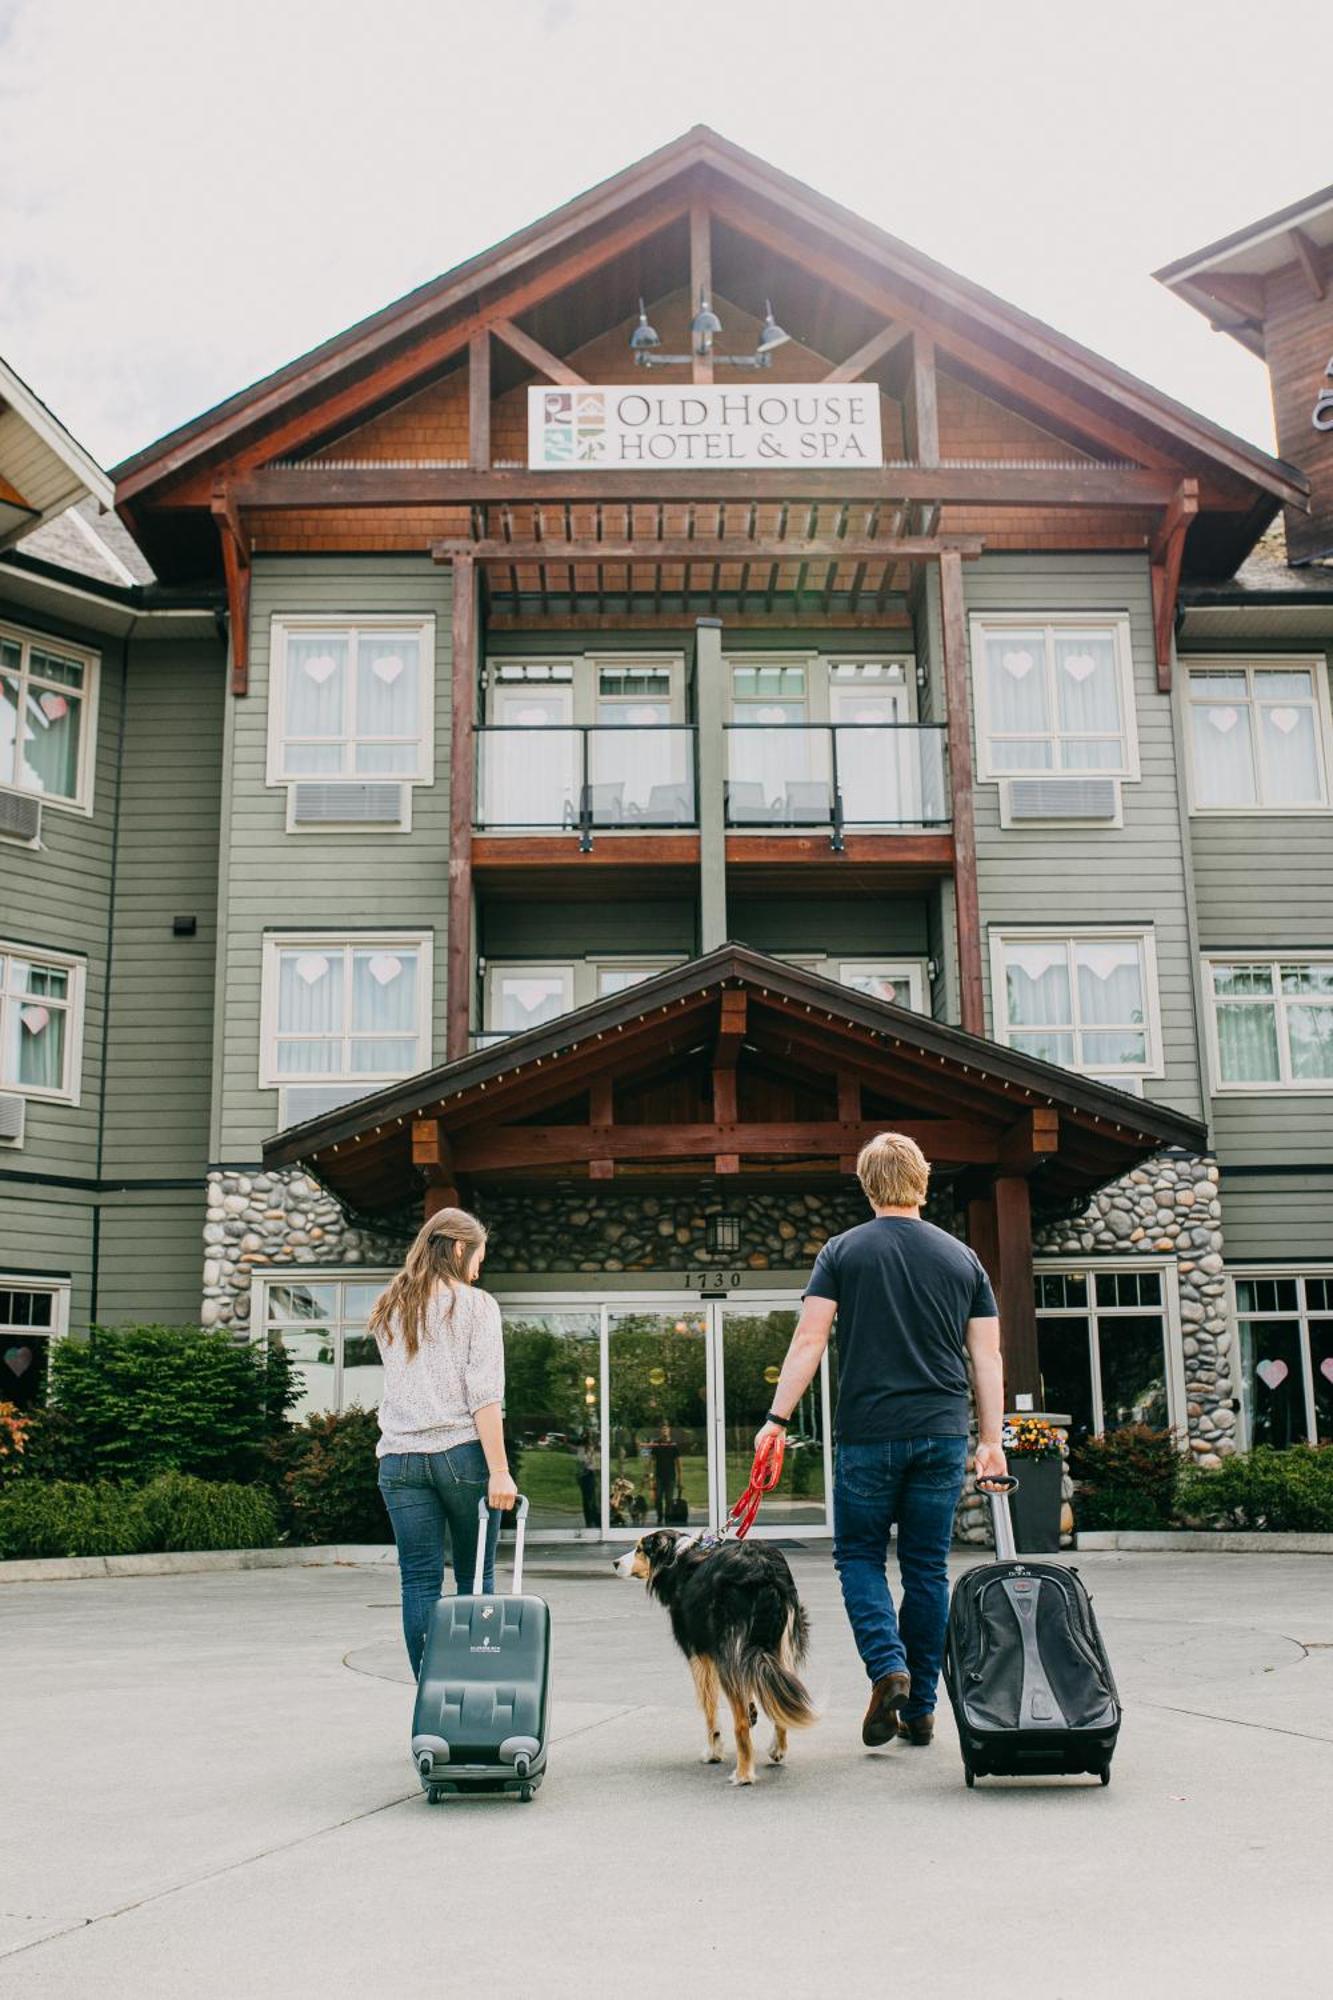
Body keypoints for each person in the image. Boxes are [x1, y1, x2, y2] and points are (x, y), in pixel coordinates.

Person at [754, 1132, 1007, 1750]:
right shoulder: (963, 1258)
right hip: (943, 1432)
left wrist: (777, 1420)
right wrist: (992, 1439)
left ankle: (888, 1667)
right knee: (926, 1569)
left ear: (867, 1185)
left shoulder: (843, 1251)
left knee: (860, 1558)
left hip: (868, 1433)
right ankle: (920, 1707)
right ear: (923, 1178)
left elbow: (809, 1341)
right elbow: (988, 1356)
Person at [369, 1207, 518, 1676]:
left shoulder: (391, 1306)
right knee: (476, 1579)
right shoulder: (476, 1305)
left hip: (399, 1460)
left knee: (418, 1583)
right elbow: (484, 1396)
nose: (479, 1267)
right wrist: (499, 1470)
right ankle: (472, 1698)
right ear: (458, 1248)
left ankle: (432, 1699)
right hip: (461, 1455)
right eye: (478, 1256)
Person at [648, 1419, 683, 1524]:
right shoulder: (656, 1444)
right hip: (658, 1476)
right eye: (662, 1429)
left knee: (669, 1499)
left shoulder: (673, 1445)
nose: (664, 1431)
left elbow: (678, 1464)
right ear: (660, 1431)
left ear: (669, 1430)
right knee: (658, 1498)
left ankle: (667, 1518)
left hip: (670, 1477)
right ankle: (659, 1517)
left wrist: (680, 1479)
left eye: (666, 1429)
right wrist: (650, 1477)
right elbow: (652, 1461)